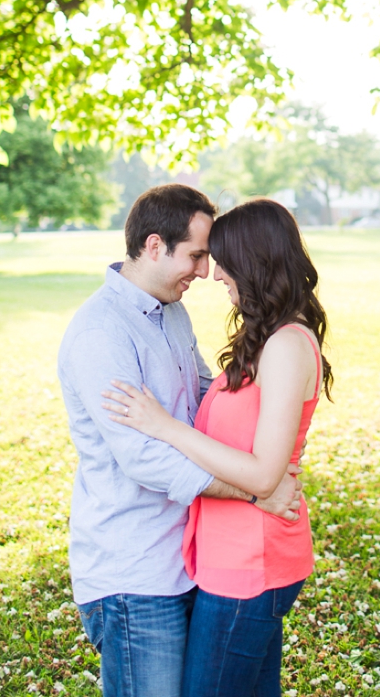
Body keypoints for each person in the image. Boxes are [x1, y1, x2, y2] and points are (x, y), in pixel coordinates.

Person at [57, 184, 302, 697]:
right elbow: (142, 458)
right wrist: (254, 490)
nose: (205, 272)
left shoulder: (170, 311)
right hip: (135, 573)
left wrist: (277, 403)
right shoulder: (101, 333)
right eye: (195, 256)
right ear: (153, 246)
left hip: (188, 558)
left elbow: (202, 392)